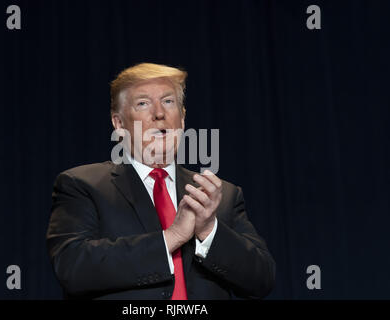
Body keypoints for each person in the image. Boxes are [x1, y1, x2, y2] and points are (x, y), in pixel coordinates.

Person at [46, 63, 275, 299]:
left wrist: (208, 230)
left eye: (168, 101)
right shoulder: (82, 185)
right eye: (143, 103)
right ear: (119, 124)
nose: (159, 113)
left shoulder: (219, 196)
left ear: (182, 118)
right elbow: (72, 267)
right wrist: (172, 237)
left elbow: (262, 279)